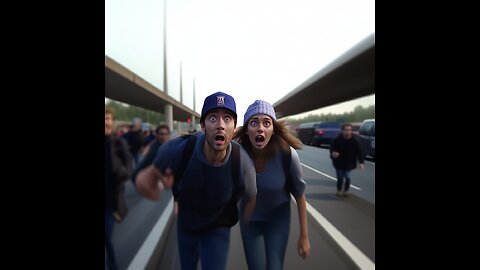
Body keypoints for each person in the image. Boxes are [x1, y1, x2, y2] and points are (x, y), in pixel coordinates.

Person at [135, 91, 257, 270]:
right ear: (202, 125)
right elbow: (143, 180)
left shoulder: (242, 163)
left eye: (227, 119)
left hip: (218, 227)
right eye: (213, 118)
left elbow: (251, 197)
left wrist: (247, 224)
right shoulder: (177, 150)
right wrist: (164, 188)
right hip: (187, 224)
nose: (220, 125)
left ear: (235, 127)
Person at [233, 100, 311, 270]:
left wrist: (304, 236)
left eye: (266, 123)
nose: (260, 128)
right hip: (250, 221)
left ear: (273, 129)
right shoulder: (236, 154)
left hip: (278, 220)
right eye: (254, 123)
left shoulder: (287, 155)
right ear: (246, 130)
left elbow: (299, 196)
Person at [105, 108, 133, 270]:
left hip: (110, 198)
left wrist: (122, 174)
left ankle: (112, 265)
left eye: (108, 118)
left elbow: (128, 165)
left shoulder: (118, 142)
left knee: (107, 237)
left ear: (112, 122)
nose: (105, 122)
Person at [329, 123, 365, 197]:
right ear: (342, 131)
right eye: (346, 130)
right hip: (339, 162)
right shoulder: (337, 140)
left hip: (349, 163)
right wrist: (333, 153)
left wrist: (361, 163)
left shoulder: (355, 141)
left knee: (347, 177)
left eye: (349, 130)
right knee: (340, 178)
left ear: (351, 131)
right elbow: (332, 149)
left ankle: (346, 191)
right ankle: (339, 190)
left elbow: (360, 152)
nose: (347, 132)